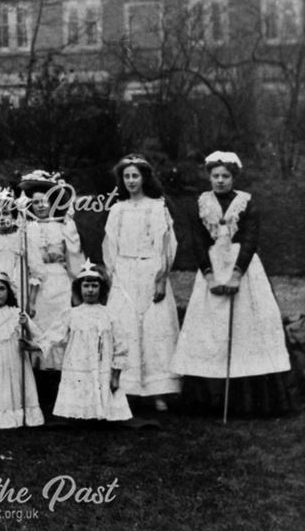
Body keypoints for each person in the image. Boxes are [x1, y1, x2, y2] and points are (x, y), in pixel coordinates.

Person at [171, 151, 293, 415]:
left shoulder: (247, 202)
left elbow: (250, 239)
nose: (220, 180)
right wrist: (210, 275)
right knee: (208, 330)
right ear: (209, 177)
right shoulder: (201, 202)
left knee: (249, 328)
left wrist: (237, 274)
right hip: (212, 268)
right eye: (215, 176)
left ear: (233, 177)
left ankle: (251, 400)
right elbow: (197, 241)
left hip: (244, 268)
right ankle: (207, 399)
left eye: (225, 176)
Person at [102, 154, 181, 411]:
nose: (131, 181)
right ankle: (126, 387)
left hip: (150, 271)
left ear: (144, 178)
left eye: (135, 175)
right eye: (126, 176)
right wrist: (114, 276)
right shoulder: (117, 209)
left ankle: (158, 392)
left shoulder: (157, 207)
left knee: (154, 329)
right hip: (124, 272)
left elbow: (166, 246)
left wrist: (161, 279)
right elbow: (110, 246)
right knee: (124, 329)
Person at [30, 261, 131, 422]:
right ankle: (79, 414)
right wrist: (35, 345)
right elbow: (54, 336)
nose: (90, 290)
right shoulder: (71, 314)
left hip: (100, 364)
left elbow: (121, 347)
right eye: (86, 286)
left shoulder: (109, 315)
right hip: (77, 364)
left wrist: (116, 376)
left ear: (102, 289)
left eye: (94, 286)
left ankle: (100, 413)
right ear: (79, 289)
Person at [17, 170, 83, 411]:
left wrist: (76, 289)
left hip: (58, 282)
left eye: (45, 201)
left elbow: (74, 258)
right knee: (36, 328)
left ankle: (59, 386)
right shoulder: (25, 227)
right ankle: (38, 387)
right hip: (34, 285)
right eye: (35, 202)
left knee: (58, 328)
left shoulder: (64, 225)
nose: (41, 206)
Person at [0, 270, 44, 429]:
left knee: (15, 388)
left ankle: (18, 416)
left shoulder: (17, 313)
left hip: (13, 362)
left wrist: (25, 325)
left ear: (9, 291)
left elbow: (38, 338)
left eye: (2, 288)